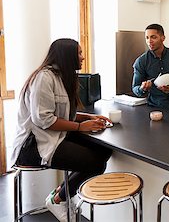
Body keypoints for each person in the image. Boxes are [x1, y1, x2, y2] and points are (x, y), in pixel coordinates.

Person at [11, 38, 112, 222]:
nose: (82, 57)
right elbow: (44, 119)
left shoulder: (63, 77)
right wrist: (81, 127)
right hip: (33, 146)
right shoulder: (44, 78)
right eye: (79, 53)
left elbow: (64, 113)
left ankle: (59, 194)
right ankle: (59, 199)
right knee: (95, 163)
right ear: (67, 56)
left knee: (104, 150)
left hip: (53, 136)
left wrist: (88, 118)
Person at [132, 23, 169, 111]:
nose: (149, 41)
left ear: (163, 38)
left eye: (153, 37)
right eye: (147, 38)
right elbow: (135, 88)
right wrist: (142, 88)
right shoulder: (141, 61)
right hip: (157, 108)